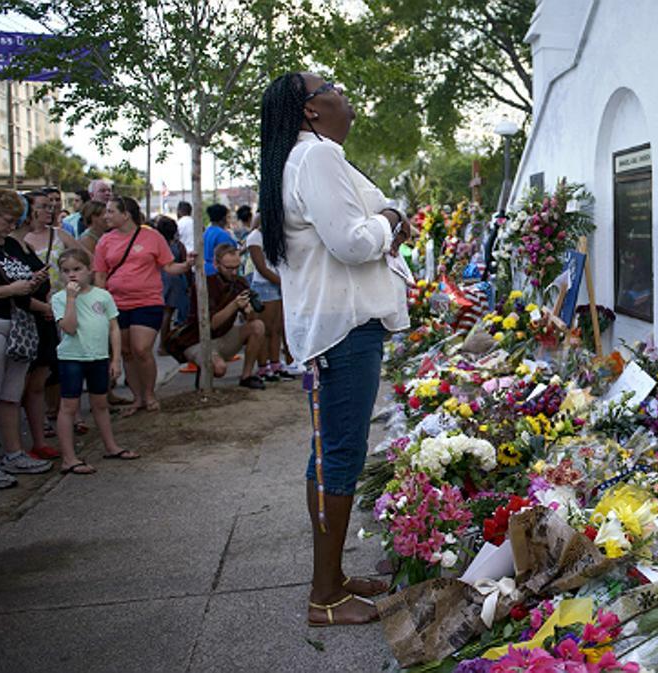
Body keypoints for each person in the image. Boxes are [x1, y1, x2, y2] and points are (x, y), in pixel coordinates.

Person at [261, 72, 416, 626]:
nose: (343, 90)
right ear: (310, 111)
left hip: (339, 327)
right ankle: (324, 596)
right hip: (344, 330)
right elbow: (353, 242)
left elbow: (354, 228)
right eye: (331, 84)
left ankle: (331, 577)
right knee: (339, 458)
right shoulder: (315, 158)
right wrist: (392, 219)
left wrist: (385, 223)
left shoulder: (312, 158)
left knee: (329, 455)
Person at [93, 196, 197, 415]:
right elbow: (100, 275)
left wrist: (186, 265)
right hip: (116, 304)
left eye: (111, 211)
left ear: (126, 214)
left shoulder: (152, 237)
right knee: (126, 352)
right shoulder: (105, 241)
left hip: (147, 301)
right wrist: (100, 305)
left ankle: (149, 394)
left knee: (141, 349)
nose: (106, 216)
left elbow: (168, 267)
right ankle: (137, 397)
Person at [52, 248, 137, 475]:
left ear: (89, 270)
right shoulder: (59, 299)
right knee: (69, 405)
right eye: (66, 271)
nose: (72, 275)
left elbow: (113, 328)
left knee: (100, 403)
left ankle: (110, 446)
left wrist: (115, 359)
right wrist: (71, 298)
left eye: (77, 269)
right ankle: (69, 458)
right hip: (72, 357)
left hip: (98, 356)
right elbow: (68, 328)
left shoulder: (102, 296)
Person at [0, 190, 52, 488]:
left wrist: (31, 284)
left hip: (17, 327)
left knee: (10, 395)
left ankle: (14, 452)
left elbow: (20, 285)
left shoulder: (10, 246)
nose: (10, 225)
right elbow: (6, 288)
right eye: (6, 220)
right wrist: (12, 290)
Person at [16, 191, 80, 460]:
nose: (49, 210)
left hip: (55, 309)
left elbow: (83, 259)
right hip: (30, 315)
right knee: (23, 381)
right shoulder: (16, 243)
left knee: (50, 372)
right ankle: (26, 437)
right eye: (42, 206)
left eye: (51, 206)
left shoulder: (56, 236)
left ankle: (47, 426)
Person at [169, 244, 267, 389]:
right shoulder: (204, 285)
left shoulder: (240, 283)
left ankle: (247, 376)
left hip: (224, 336)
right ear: (216, 264)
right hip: (197, 339)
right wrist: (234, 305)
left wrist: (250, 311)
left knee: (258, 326)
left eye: (237, 267)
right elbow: (211, 324)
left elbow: (251, 319)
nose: (234, 272)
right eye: (229, 268)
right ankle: (204, 376)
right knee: (219, 369)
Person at [244, 213, 291, 383]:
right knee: (266, 329)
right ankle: (263, 367)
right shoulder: (254, 237)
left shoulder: (275, 236)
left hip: (278, 284)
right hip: (265, 286)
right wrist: (283, 283)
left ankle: (276, 364)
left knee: (277, 329)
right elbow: (261, 268)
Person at [155, 215, 190, 350]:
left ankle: (163, 344)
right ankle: (163, 345)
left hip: (161, 278)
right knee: (169, 312)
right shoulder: (177, 245)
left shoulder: (157, 245)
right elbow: (184, 263)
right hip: (175, 279)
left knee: (166, 312)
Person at [201, 204, 236, 277]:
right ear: (224, 218)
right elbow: (229, 256)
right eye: (228, 217)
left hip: (206, 270)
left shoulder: (207, 232)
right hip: (218, 273)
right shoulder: (222, 235)